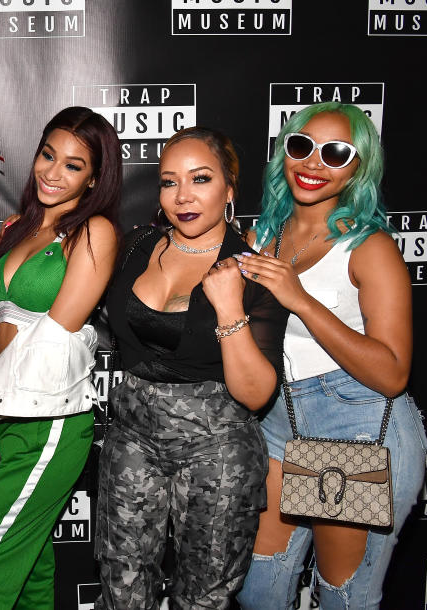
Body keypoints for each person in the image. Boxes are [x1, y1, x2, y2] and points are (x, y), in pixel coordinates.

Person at [236, 103, 427, 610]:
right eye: (301, 146)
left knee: (343, 598)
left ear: (358, 167)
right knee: (258, 586)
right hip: (278, 425)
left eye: (335, 153)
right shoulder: (263, 238)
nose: (313, 163)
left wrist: (300, 299)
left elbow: (392, 373)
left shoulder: (369, 248)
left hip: (352, 428)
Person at [0, 106, 121, 609]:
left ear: (95, 177)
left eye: (73, 165)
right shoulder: (17, 226)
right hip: (4, 416)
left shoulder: (93, 231)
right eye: (47, 155)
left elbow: (56, 334)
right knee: (29, 569)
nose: (52, 172)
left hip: (48, 421)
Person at [96, 127, 289, 609]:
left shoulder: (252, 270)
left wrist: (228, 308)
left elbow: (256, 393)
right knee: (120, 586)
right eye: (168, 181)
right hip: (132, 437)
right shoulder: (137, 244)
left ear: (229, 189)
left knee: (203, 597)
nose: (182, 196)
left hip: (217, 452)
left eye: (200, 179)